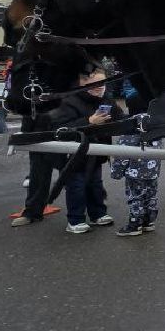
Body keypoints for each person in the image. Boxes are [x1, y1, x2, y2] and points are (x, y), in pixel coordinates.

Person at [45, 65, 115, 233]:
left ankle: (98, 214)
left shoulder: (107, 99)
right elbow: (59, 128)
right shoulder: (68, 101)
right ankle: (75, 220)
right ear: (83, 82)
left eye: (103, 84)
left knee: (95, 184)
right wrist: (89, 121)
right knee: (77, 186)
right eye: (96, 85)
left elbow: (120, 117)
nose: (100, 88)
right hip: (74, 155)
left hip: (96, 151)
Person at [111, 75, 164, 236]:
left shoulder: (131, 128)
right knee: (151, 194)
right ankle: (149, 221)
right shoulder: (155, 127)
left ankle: (135, 224)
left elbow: (122, 154)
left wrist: (116, 172)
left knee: (136, 196)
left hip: (134, 173)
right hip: (152, 172)